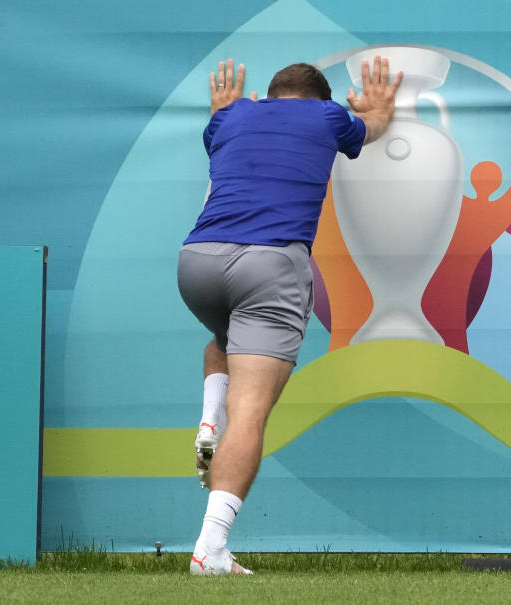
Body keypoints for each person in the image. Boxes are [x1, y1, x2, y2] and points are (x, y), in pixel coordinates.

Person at [178, 56, 402, 575]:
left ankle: (209, 417)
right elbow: (368, 129)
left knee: (226, 335)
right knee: (251, 413)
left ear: (271, 93)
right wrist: (376, 111)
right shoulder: (327, 118)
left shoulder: (230, 117)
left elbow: (218, 138)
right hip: (269, 262)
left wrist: (224, 110)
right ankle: (210, 549)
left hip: (197, 262)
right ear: (320, 100)